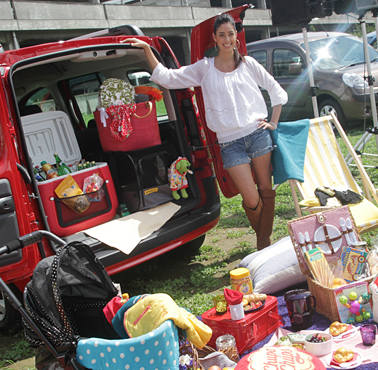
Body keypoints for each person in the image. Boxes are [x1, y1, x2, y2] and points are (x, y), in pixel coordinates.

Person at [123, 14, 287, 250]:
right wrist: (147, 50)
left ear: (236, 38)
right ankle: (266, 242)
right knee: (251, 198)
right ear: (214, 39)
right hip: (230, 143)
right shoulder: (205, 68)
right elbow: (169, 78)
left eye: (231, 34)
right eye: (222, 35)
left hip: (257, 133)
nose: (227, 39)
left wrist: (273, 122)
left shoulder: (248, 64)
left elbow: (275, 89)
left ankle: (264, 244)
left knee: (265, 189)